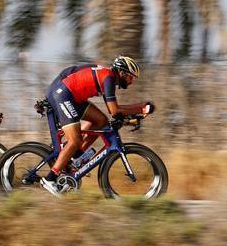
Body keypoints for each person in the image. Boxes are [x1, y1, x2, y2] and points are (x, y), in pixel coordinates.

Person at [40, 55, 154, 195]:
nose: (131, 82)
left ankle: (74, 155)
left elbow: (72, 70)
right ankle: (50, 179)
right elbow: (114, 110)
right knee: (75, 140)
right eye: (131, 77)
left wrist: (128, 117)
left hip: (72, 96)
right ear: (122, 73)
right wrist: (141, 108)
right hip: (63, 95)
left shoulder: (106, 74)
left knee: (101, 121)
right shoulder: (109, 78)